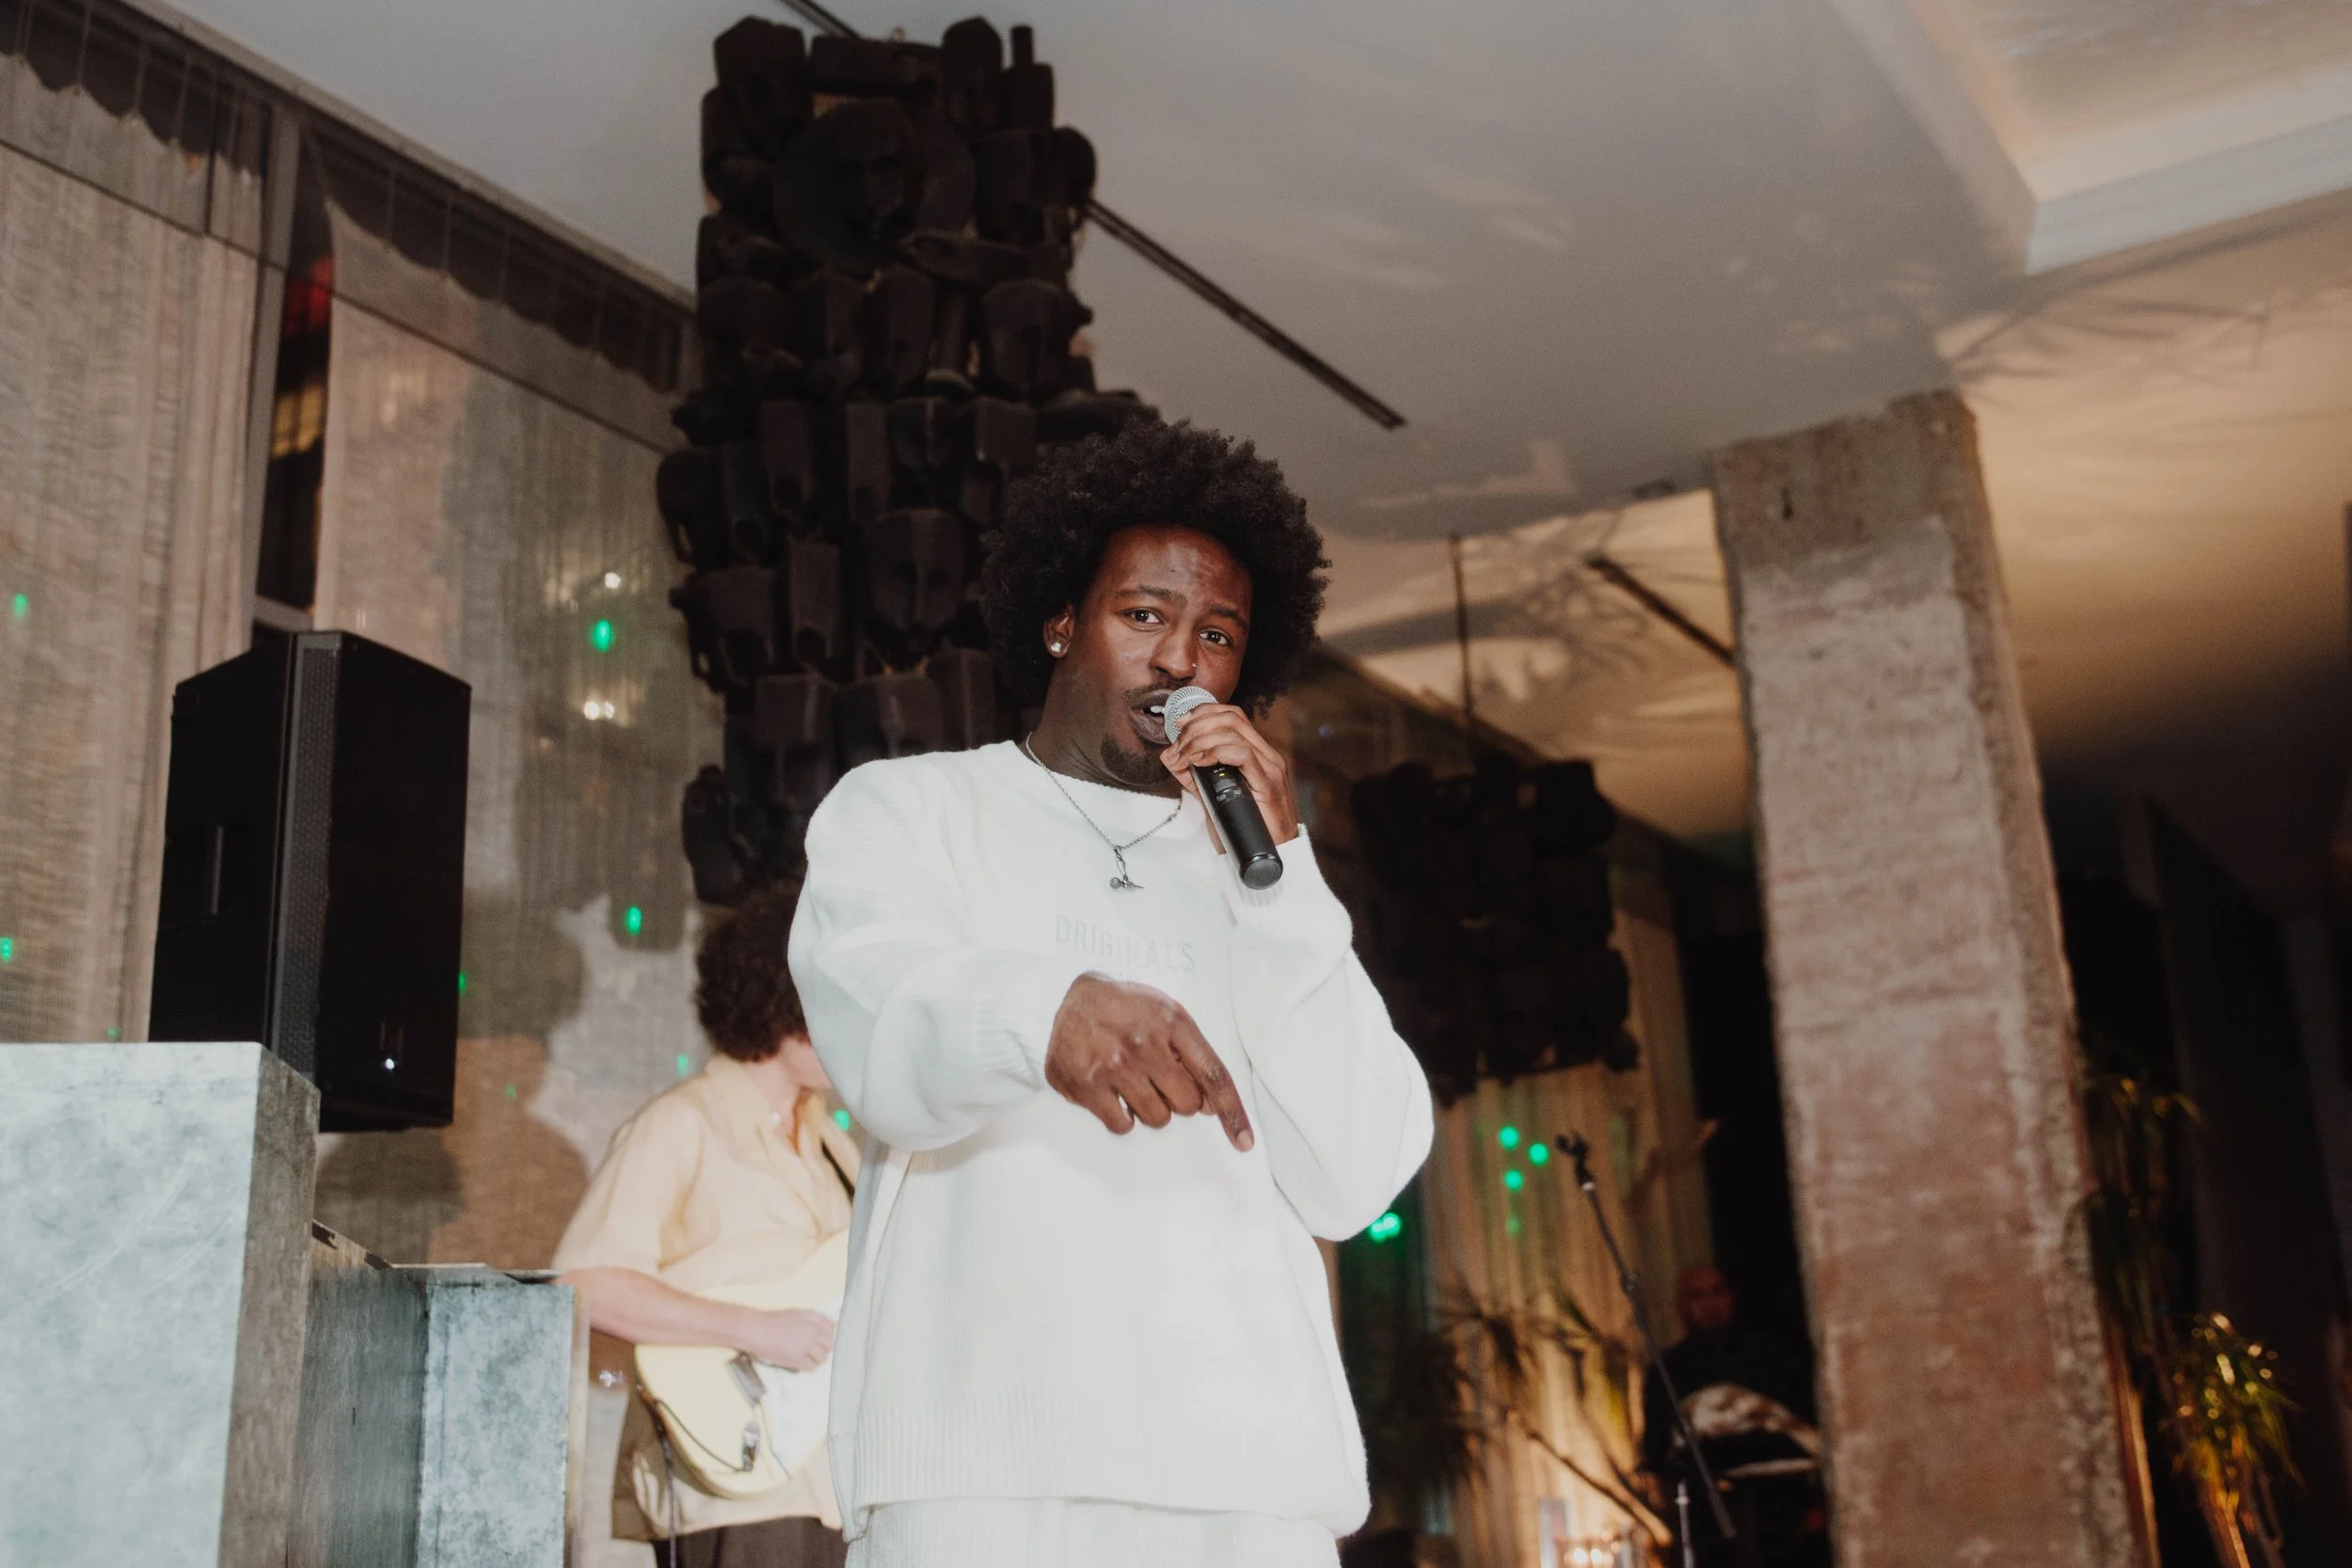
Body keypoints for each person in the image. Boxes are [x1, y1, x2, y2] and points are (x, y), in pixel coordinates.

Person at [788, 419, 1435, 1568]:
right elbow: (882, 1019)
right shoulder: (911, 809)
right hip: (982, 1466)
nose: (1179, 658)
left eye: (1217, 634)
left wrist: (1283, 883)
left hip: (1250, 1480)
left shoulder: (1262, 875)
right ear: (1060, 622)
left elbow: (1355, 1171)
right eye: (1143, 615)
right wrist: (1042, 1011)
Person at [555, 879, 861, 1568]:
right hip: (732, 1486)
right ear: (782, 1005)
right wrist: (753, 1329)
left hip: (833, 1482)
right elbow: (587, 1284)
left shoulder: (835, 1145)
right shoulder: (681, 1124)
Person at [1642, 1265, 1825, 1568]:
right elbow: (1658, 1450)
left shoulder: (1774, 1356)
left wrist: (1817, 1504)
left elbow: (1804, 1430)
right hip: (1710, 1519)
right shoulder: (1667, 1370)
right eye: (1697, 1295)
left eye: (1717, 1291)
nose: (1710, 1303)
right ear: (1681, 1307)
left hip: (1784, 1514)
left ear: (1732, 1297)